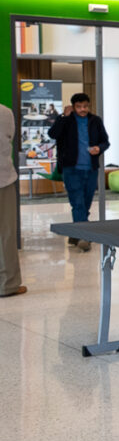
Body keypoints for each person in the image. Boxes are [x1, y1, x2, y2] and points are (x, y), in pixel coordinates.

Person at [48, 93, 110, 252]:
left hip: (91, 169)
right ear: (73, 107)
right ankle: (84, 236)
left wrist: (99, 148)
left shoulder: (95, 121)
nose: (83, 110)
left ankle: (76, 232)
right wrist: (62, 116)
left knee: (86, 202)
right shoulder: (66, 120)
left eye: (85, 106)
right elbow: (52, 134)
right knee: (77, 202)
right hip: (71, 168)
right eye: (79, 107)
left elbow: (105, 141)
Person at [1, 103, 26, 297]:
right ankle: (8, 284)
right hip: (2, 180)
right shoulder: (4, 112)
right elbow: (9, 138)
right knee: (5, 234)